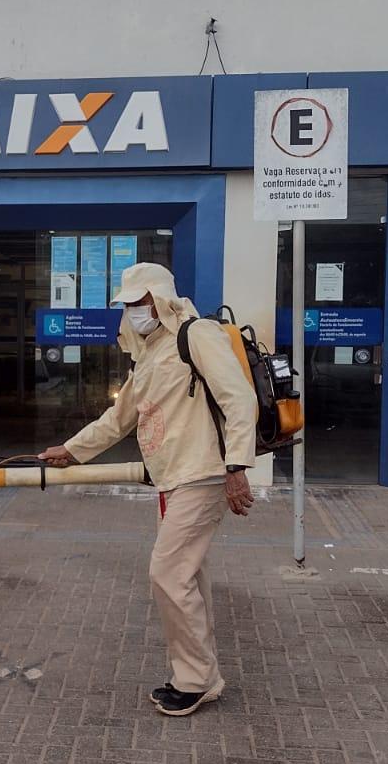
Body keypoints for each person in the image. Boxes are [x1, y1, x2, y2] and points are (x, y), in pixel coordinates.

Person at [39, 263, 257, 717]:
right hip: (172, 478)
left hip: (203, 473)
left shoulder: (196, 335)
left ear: (160, 299)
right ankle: (204, 676)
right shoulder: (151, 353)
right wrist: (72, 450)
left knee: (167, 573)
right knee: (187, 576)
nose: (134, 311)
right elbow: (119, 419)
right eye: (128, 305)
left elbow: (240, 399)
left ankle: (194, 679)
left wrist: (237, 467)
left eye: (140, 302)